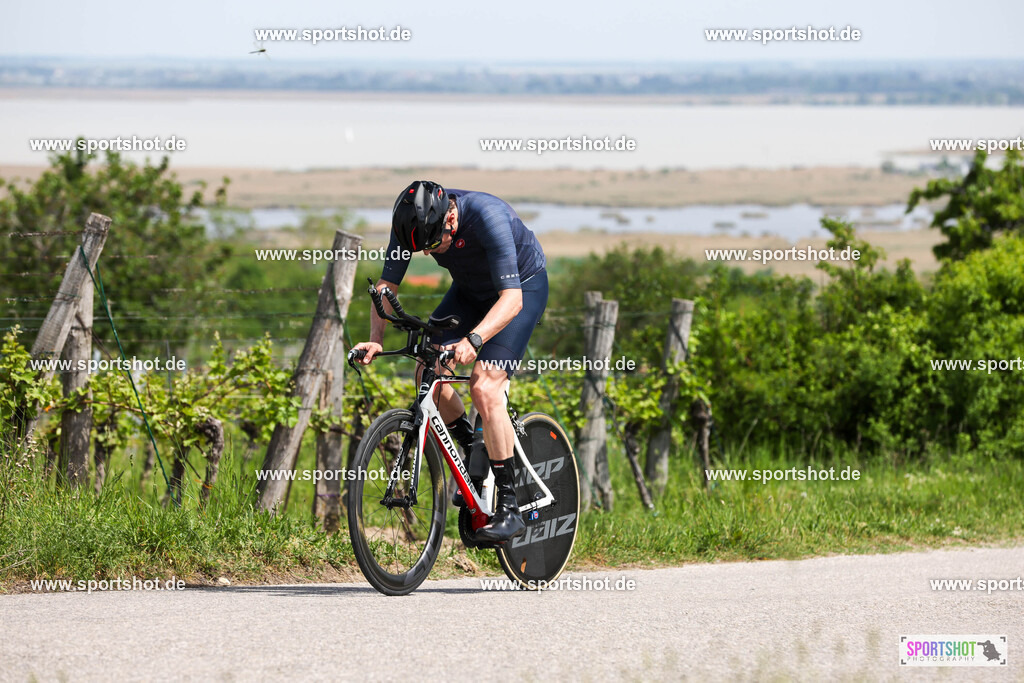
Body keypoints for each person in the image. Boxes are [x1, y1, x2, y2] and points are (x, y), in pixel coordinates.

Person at [352, 180, 548, 543]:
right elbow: (385, 289)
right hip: (471, 292)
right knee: (428, 371)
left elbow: (512, 300)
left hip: (520, 290)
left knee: (484, 388)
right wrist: (376, 340)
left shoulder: (488, 217)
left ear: (451, 219)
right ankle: (474, 448)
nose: (426, 254)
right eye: (418, 248)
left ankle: (509, 507)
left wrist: (475, 339)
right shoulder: (410, 227)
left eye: (432, 245)